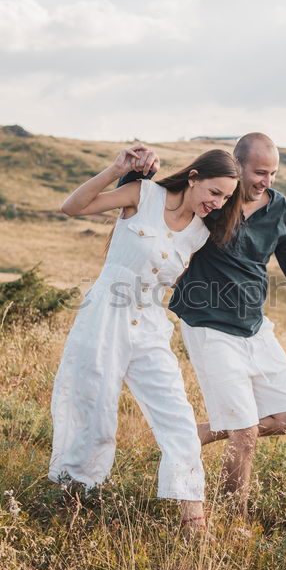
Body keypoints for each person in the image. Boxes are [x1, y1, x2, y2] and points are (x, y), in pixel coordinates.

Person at [121, 133, 286, 516]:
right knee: (244, 434)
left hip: (255, 326)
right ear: (237, 166)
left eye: (273, 173)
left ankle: (205, 430)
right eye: (260, 172)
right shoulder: (211, 201)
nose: (267, 181)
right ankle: (232, 520)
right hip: (208, 325)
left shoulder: (281, 211)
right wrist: (134, 173)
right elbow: (149, 204)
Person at [49, 145, 242, 533]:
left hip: (150, 324)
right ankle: (72, 504)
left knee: (178, 417)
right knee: (93, 410)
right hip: (105, 315)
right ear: (194, 177)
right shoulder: (144, 195)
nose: (218, 203)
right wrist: (116, 168)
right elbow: (73, 207)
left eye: (225, 198)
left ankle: (194, 525)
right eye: (214, 192)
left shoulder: (200, 234)